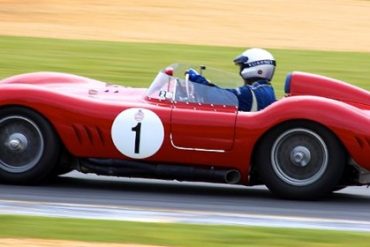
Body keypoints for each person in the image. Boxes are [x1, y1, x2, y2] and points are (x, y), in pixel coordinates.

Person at [187, 48, 277, 111]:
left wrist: (197, 79)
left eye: (242, 67)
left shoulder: (250, 93)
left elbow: (215, 96)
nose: (240, 71)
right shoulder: (266, 89)